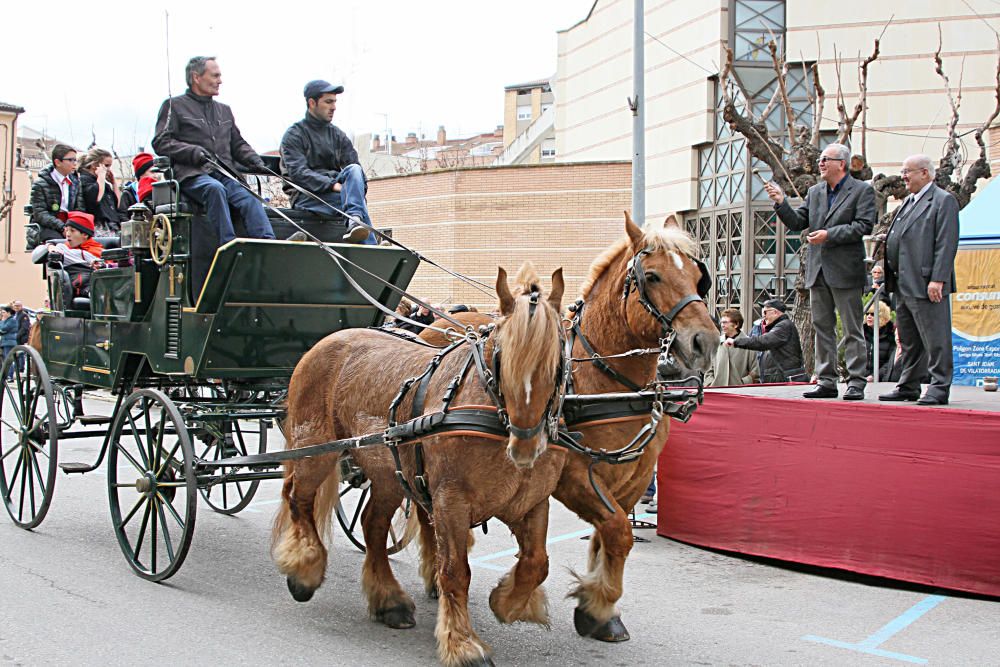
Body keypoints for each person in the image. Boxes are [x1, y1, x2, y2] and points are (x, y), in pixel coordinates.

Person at [765, 143, 875, 400]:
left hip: (846, 270)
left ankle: (856, 380)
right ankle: (826, 379)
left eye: (827, 159)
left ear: (842, 164)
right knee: (821, 327)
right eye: (821, 160)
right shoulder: (815, 192)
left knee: (851, 328)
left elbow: (864, 225)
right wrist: (781, 203)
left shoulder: (862, 191)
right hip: (818, 271)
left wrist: (829, 235)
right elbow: (798, 222)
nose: (821, 164)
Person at [152, 56, 276, 246]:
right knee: (214, 190)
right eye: (215, 75)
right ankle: (228, 245)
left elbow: (237, 144)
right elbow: (161, 141)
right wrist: (193, 152)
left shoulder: (224, 110)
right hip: (193, 175)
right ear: (196, 77)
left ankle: (268, 244)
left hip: (224, 173)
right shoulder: (174, 106)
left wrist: (255, 160)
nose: (220, 81)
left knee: (250, 197)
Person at [878, 154, 960, 406]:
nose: (903, 176)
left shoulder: (942, 201)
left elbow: (946, 243)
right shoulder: (908, 201)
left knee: (935, 338)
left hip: (926, 283)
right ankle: (909, 384)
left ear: (925, 173)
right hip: (902, 283)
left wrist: (938, 279)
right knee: (910, 339)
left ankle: (938, 386)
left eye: (907, 172)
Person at [279, 80, 374, 244]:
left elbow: (357, 173)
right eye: (328, 102)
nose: (334, 107)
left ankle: (355, 221)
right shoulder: (294, 135)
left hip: (337, 195)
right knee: (352, 202)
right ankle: (372, 248)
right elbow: (300, 174)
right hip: (306, 196)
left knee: (354, 171)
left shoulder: (338, 135)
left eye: (335, 102)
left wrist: (353, 188)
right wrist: (334, 186)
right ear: (312, 103)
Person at [726, 299, 805, 384]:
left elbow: (763, 342)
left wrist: (736, 342)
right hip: (778, 378)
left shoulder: (784, 326)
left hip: (783, 379)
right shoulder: (780, 326)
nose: (763, 316)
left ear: (775, 312)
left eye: (765, 312)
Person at [29, 144, 84, 246]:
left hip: (70, 224)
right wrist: (62, 227)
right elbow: (40, 214)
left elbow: (80, 208)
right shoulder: (40, 184)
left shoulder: (75, 182)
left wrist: (72, 226)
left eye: (75, 160)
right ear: (58, 162)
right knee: (60, 246)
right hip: (48, 226)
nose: (75, 163)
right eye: (71, 160)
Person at [48, 211, 104, 299]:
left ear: (85, 234)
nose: (68, 234)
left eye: (72, 231)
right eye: (66, 230)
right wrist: (50, 246)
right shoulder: (62, 249)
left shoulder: (98, 251)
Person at [706, 308, 760, 386]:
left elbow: (755, 372)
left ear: (736, 324)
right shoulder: (716, 342)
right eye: (721, 322)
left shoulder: (748, 344)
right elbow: (709, 369)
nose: (722, 325)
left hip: (739, 392)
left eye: (725, 322)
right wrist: (710, 384)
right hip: (717, 392)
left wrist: (743, 382)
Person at [79, 147, 126, 235]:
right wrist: (101, 175)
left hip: (112, 225)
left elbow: (117, 204)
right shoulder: (84, 180)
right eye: (106, 165)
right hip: (99, 226)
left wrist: (114, 183)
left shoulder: (104, 184)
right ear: (94, 165)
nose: (108, 169)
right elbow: (97, 198)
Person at [864, 300, 895, 382]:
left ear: (882, 316)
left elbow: (890, 362)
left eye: (872, 314)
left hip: (882, 381)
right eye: (867, 314)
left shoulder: (891, 336)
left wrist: (874, 376)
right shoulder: (862, 333)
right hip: (862, 379)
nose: (869, 316)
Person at [12, 301, 30, 373]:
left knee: (20, 353)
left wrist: (17, 335)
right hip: (15, 336)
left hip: (21, 337)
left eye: (18, 306)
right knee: (16, 353)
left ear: (21, 306)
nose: (16, 307)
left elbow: (24, 327)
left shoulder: (24, 315)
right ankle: (17, 366)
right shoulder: (15, 315)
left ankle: (21, 367)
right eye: (15, 306)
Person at [0, 307, 16, 379]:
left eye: (3, 312)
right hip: (4, 341)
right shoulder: (7, 320)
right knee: (4, 359)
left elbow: (3, 328)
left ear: (8, 313)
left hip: (9, 342)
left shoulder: (12, 320)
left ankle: (10, 375)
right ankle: (5, 374)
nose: (2, 314)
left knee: (8, 359)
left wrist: (2, 321)